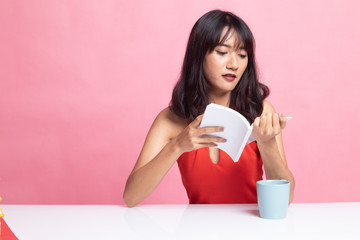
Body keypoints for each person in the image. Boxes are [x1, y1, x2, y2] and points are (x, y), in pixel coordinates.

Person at [123, 9, 295, 207]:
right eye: (222, 52)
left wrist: (267, 143)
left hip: (253, 229)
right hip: (196, 230)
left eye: (242, 55)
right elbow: (131, 197)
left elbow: (287, 197)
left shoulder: (261, 111)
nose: (234, 64)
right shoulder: (171, 120)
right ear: (199, 55)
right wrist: (177, 145)